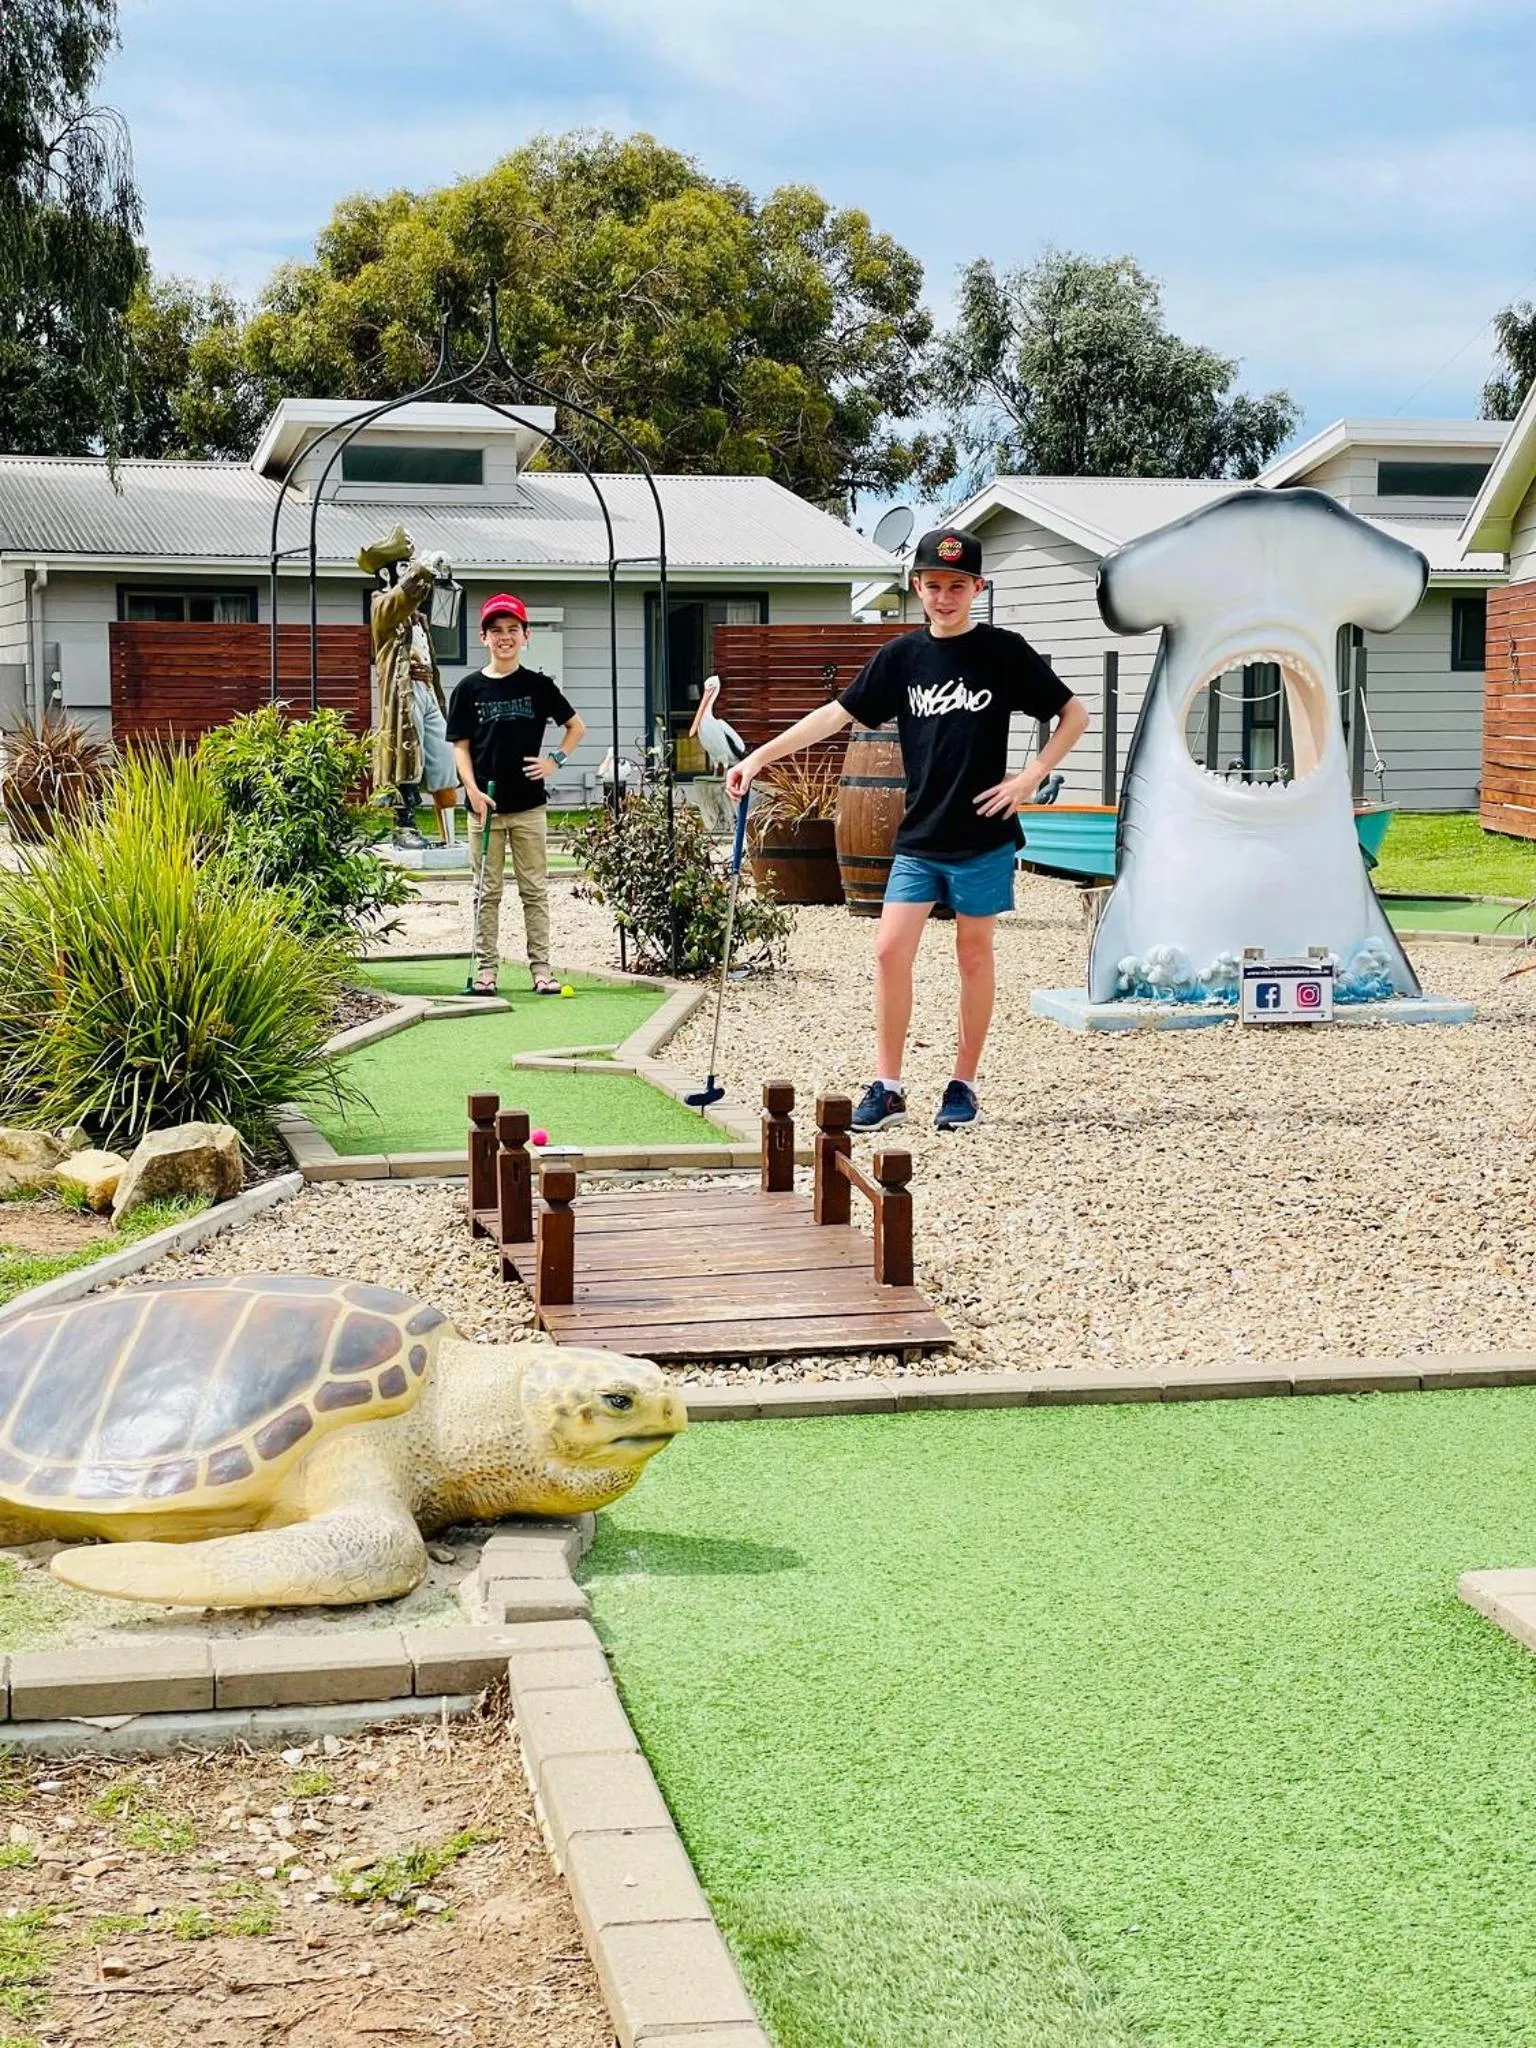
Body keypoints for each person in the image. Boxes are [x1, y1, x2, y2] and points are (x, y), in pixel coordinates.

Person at [727, 527, 1089, 1132]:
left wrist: (1031, 777)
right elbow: (835, 715)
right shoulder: (901, 658)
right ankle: (889, 1086)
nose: (945, 597)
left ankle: (963, 1085)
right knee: (890, 950)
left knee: (973, 955)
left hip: (985, 836)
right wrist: (758, 757)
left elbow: (1073, 713)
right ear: (917, 586)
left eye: (957, 586)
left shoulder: (1002, 651)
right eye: (934, 585)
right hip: (920, 837)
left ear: (978, 588)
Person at [447, 593, 586, 995]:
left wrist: (554, 761)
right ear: (484, 637)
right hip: (484, 808)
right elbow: (460, 747)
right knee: (485, 892)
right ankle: (486, 972)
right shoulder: (468, 689)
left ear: (526, 636)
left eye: (513, 629)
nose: (504, 637)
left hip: (528, 807)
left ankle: (541, 970)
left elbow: (575, 727)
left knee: (534, 891)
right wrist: (472, 790)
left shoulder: (539, 686)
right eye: (496, 630)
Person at [360, 526, 460, 850]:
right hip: (403, 695)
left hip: (427, 690)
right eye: (404, 567)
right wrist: (421, 570)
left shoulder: (417, 617)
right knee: (404, 758)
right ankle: (404, 826)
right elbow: (397, 601)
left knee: (443, 759)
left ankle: (449, 834)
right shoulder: (382, 607)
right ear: (386, 574)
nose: (410, 573)